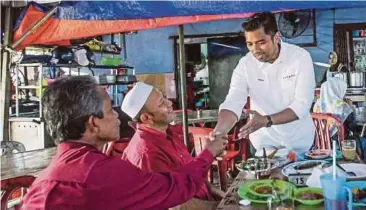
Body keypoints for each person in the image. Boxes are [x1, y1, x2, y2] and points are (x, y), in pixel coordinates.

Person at [21, 76, 228, 209]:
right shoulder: (102, 173)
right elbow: (174, 190)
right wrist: (208, 153)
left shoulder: (44, 180)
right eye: (111, 110)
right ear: (93, 123)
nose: (117, 117)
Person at [211, 12, 315, 155]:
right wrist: (219, 131)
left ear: (276, 37)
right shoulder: (246, 65)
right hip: (264, 143)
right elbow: (233, 101)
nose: (255, 50)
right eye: (250, 44)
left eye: (261, 42)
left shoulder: (300, 58)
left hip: (299, 142)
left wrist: (267, 120)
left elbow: (302, 105)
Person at [120, 82, 225, 204]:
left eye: (164, 97)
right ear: (146, 118)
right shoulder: (147, 153)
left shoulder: (169, 133)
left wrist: (215, 191)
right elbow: (174, 203)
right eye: (161, 103)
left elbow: (190, 172)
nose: (169, 103)